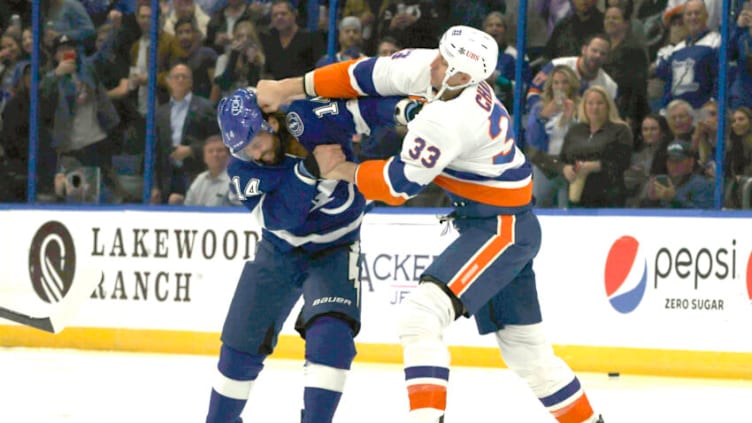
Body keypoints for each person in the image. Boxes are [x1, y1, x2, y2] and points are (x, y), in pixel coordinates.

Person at [255, 25, 605, 423]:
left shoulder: (448, 120)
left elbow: (399, 185)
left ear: (462, 78)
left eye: (445, 63)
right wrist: (287, 88)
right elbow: (362, 74)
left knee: (419, 316)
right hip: (501, 221)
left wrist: (342, 169)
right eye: (439, 53)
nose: (433, 63)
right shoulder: (434, 68)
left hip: (501, 227)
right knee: (528, 352)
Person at [206, 88, 416, 422]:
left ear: (270, 122)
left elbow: (359, 109)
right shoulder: (242, 172)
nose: (255, 154)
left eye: (256, 142)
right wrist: (309, 170)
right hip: (279, 250)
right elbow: (281, 217)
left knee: (331, 339)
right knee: (238, 349)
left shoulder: (309, 118)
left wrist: (404, 110)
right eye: (245, 150)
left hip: (336, 247)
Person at [560, 85, 633, 208]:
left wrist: (597, 166)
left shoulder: (620, 130)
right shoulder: (575, 131)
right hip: (576, 195)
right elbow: (563, 158)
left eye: (600, 103)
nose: (595, 108)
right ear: (584, 106)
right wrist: (565, 168)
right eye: (590, 103)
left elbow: (624, 161)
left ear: (608, 106)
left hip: (609, 195)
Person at [525, 64, 581, 208]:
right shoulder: (539, 108)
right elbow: (532, 140)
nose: (560, 87)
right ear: (550, 85)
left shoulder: (581, 107)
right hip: (545, 166)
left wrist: (570, 119)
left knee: (567, 212)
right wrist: (543, 116)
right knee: (540, 209)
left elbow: (583, 138)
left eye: (564, 82)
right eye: (556, 82)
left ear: (572, 84)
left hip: (571, 167)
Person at [639, 139, 713, 208]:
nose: (673, 165)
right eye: (670, 160)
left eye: (678, 160)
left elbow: (704, 216)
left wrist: (674, 199)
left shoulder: (701, 184)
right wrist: (652, 200)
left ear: (691, 162)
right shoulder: (663, 182)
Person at [181, 134, 237, 206]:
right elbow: (188, 206)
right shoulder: (200, 179)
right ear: (204, 158)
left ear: (229, 156)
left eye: (220, 150)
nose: (215, 154)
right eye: (210, 151)